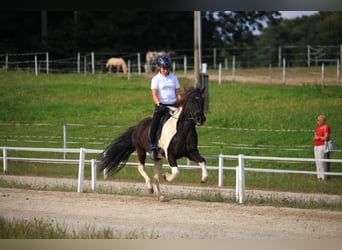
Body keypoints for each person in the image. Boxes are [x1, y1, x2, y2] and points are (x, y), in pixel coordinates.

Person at [149, 55, 182, 161]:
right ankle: (153, 147)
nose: (166, 70)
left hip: (173, 106)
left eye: (167, 68)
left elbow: (178, 93)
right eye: (164, 68)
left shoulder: (174, 78)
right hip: (161, 106)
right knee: (154, 124)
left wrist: (181, 103)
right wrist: (159, 104)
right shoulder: (155, 79)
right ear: (159, 67)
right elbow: (154, 94)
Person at [313, 114, 331, 181]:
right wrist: (318, 138)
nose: (317, 121)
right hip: (316, 146)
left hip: (322, 146)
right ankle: (319, 177)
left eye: (318, 120)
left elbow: (326, 137)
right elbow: (314, 137)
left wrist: (319, 137)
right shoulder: (317, 128)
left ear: (322, 120)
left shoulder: (326, 127)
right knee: (317, 161)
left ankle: (323, 177)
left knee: (322, 161)